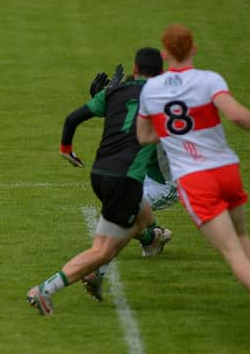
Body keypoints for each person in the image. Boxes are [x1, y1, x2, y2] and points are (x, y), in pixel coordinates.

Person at [136, 24, 250, 347]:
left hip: (195, 180)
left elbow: (143, 137)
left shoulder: (150, 91)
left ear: (165, 53)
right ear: (194, 49)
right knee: (242, 236)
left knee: (231, 252)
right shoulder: (209, 79)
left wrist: (173, 135)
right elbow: (236, 116)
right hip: (225, 169)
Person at [26, 47, 165, 315]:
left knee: (142, 216)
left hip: (100, 174)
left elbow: (72, 119)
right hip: (126, 179)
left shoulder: (114, 92)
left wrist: (67, 150)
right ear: (161, 74)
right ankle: (44, 290)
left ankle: (152, 239)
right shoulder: (161, 98)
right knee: (102, 249)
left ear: (135, 69)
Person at [59, 65, 176, 302]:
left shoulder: (161, 112)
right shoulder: (148, 105)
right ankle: (151, 239)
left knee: (126, 214)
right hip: (138, 175)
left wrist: (110, 97)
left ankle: (98, 270)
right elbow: (125, 119)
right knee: (121, 208)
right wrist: (104, 98)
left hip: (167, 184)